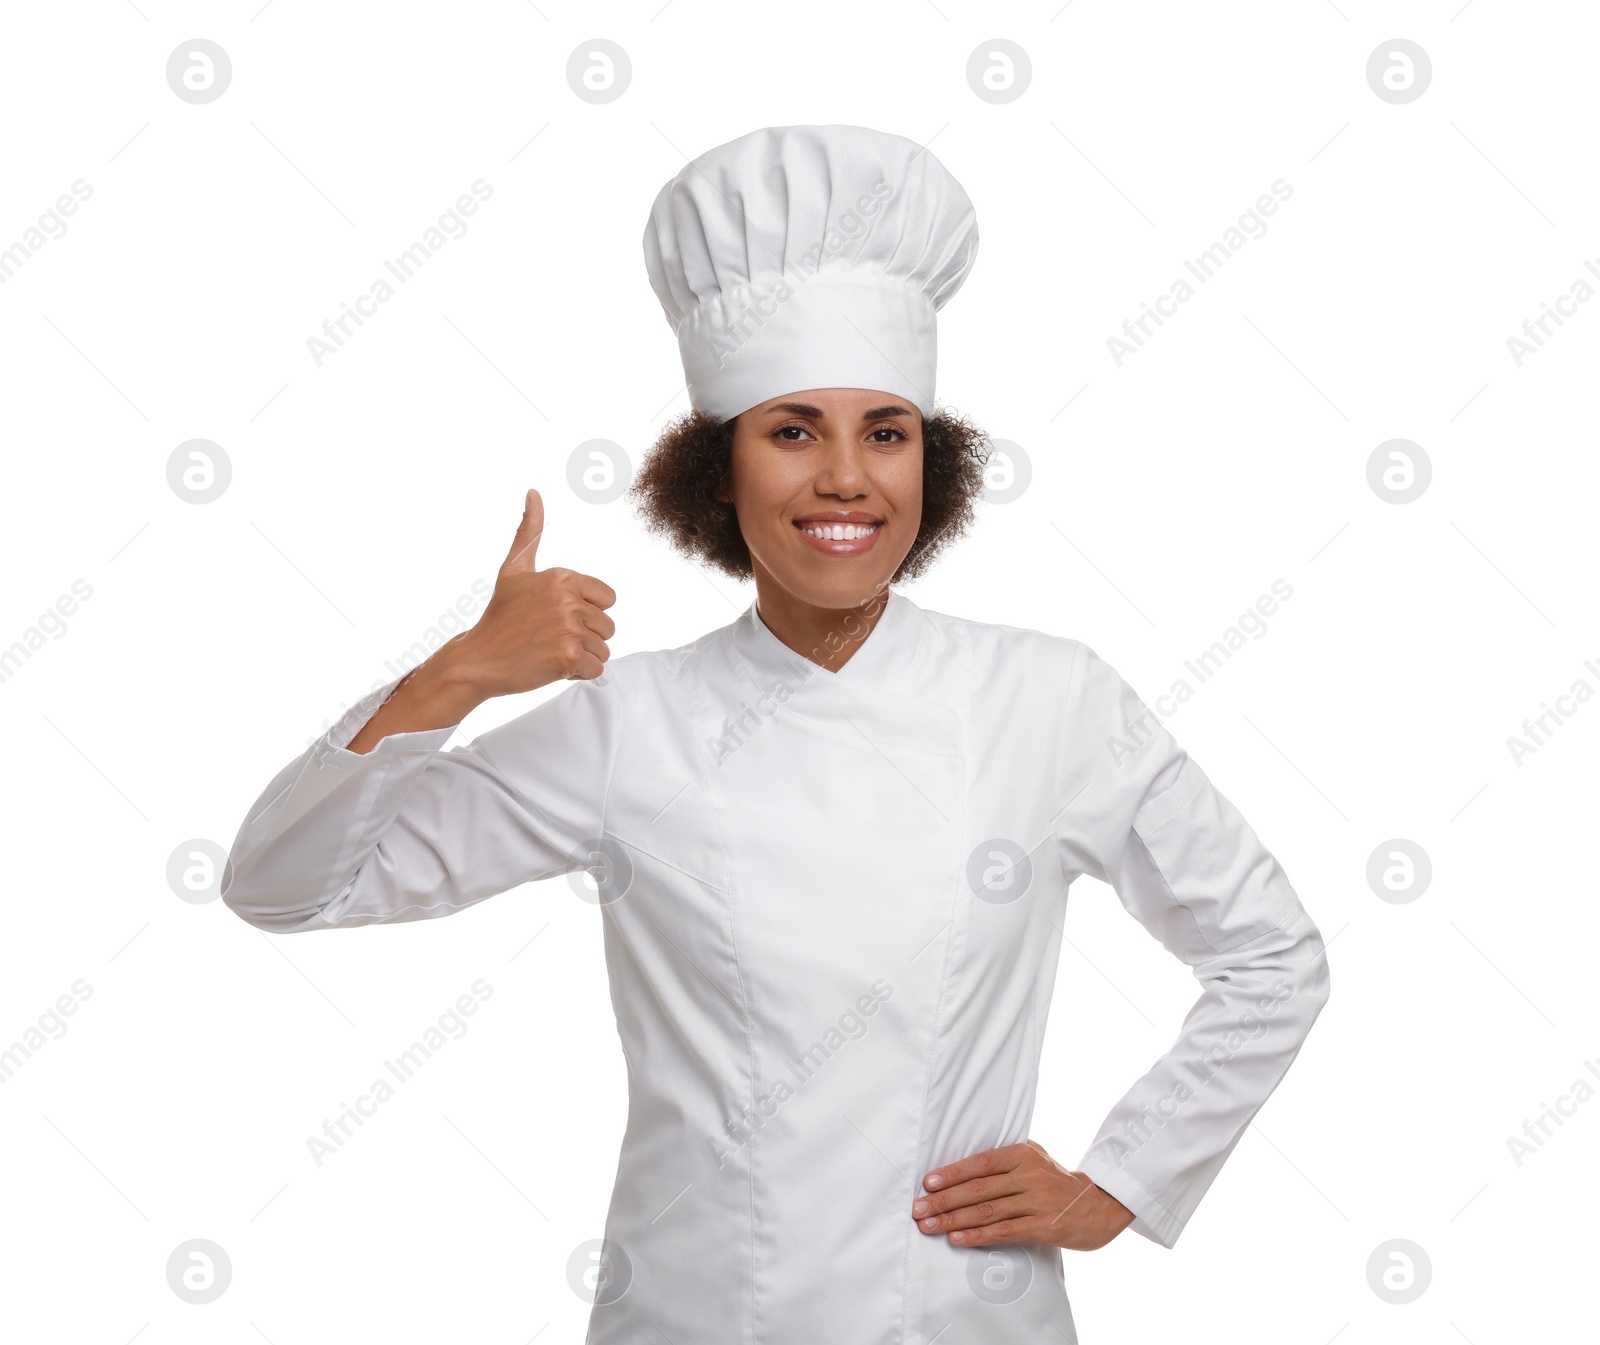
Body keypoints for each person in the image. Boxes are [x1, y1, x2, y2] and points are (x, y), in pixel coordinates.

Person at [221, 124, 1331, 1344]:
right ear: (719, 471)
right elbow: (281, 892)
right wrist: (455, 675)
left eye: (886, 433)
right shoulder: (624, 722)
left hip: (964, 1315)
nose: (847, 478)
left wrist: (1121, 1181)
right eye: (793, 430)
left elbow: (1272, 957)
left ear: (933, 464)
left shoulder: (1049, 699)